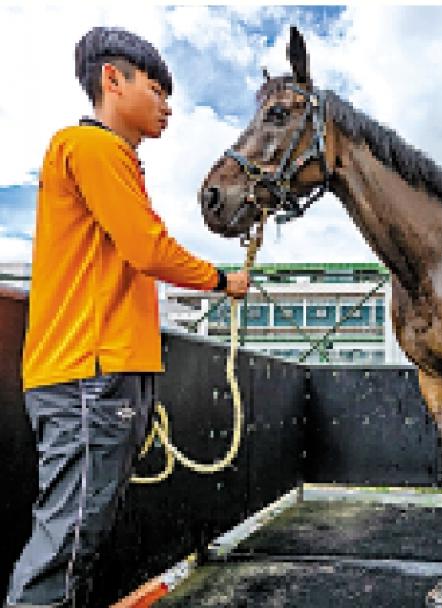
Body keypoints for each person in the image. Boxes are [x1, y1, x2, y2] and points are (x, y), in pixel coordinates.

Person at [5, 27, 249, 608]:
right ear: (113, 79)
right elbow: (148, 247)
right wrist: (223, 280)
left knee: (81, 534)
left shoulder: (108, 160)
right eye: (159, 89)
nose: (168, 105)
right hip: (89, 377)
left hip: (101, 373)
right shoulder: (92, 148)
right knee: (66, 541)